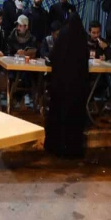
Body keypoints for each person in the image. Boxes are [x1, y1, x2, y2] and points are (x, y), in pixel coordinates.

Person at [45, 13, 89, 158]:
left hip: (61, 86)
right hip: (77, 88)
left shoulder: (63, 33)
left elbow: (52, 56)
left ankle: (56, 147)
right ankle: (73, 149)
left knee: (59, 115)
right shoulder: (82, 36)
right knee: (74, 118)